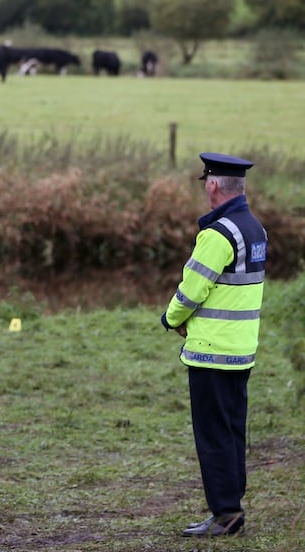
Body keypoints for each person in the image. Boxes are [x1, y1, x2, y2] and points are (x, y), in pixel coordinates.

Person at [161, 153, 267, 538]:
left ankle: (225, 515)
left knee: (213, 435)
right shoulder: (254, 229)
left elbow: (192, 289)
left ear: (212, 185)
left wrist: (170, 319)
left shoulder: (218, 234)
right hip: (241, 352)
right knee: (232, 431)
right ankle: (231, 509)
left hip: (211, 352)